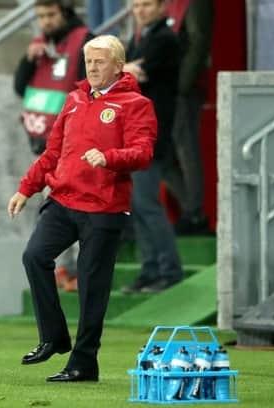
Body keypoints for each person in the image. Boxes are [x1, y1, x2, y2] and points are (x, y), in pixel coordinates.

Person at [8, 35, 156, 382]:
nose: (91, 67)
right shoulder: (74, 99)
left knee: (92, 286)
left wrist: (109, 158)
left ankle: (83, 362)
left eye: (99, 62)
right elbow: (52, 152)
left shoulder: (135, 104)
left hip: (104, 207)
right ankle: (53, 337)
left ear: (118, 66)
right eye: (88, 61)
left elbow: (143, 152)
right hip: (62, 199)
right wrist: (27, 188)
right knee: (34, 256)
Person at [121, 0, 183, 294]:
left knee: (147, 204)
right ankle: (150, 271)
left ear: (162, 7)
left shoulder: (164, 40)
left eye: (146, 4)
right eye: (135, 5)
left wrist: (123, 71)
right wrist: (125, 70)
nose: (140, 10)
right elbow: (126, 76)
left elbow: (130, 77)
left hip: (151, 135)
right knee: (137, 207)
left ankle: (168, 271)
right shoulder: (140, 41)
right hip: (134, 136)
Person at [14, 0, 93, 155]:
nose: (46, 22)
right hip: (41, 137)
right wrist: (28, 61)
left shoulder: (85, 41)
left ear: (65, 13)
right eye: (41, 17)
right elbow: (19, 88)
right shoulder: (39, 44)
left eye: (51, 15)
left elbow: (92, 92)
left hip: (72, 144)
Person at [162, 0, 214, 235]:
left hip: (184, 89)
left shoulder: (195, 2)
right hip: (164, 88)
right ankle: (193, 211)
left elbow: (199, 41)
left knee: (185, 149)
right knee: (161, 154)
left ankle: (194, 212)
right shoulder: (165, 3)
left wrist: (182, 86)